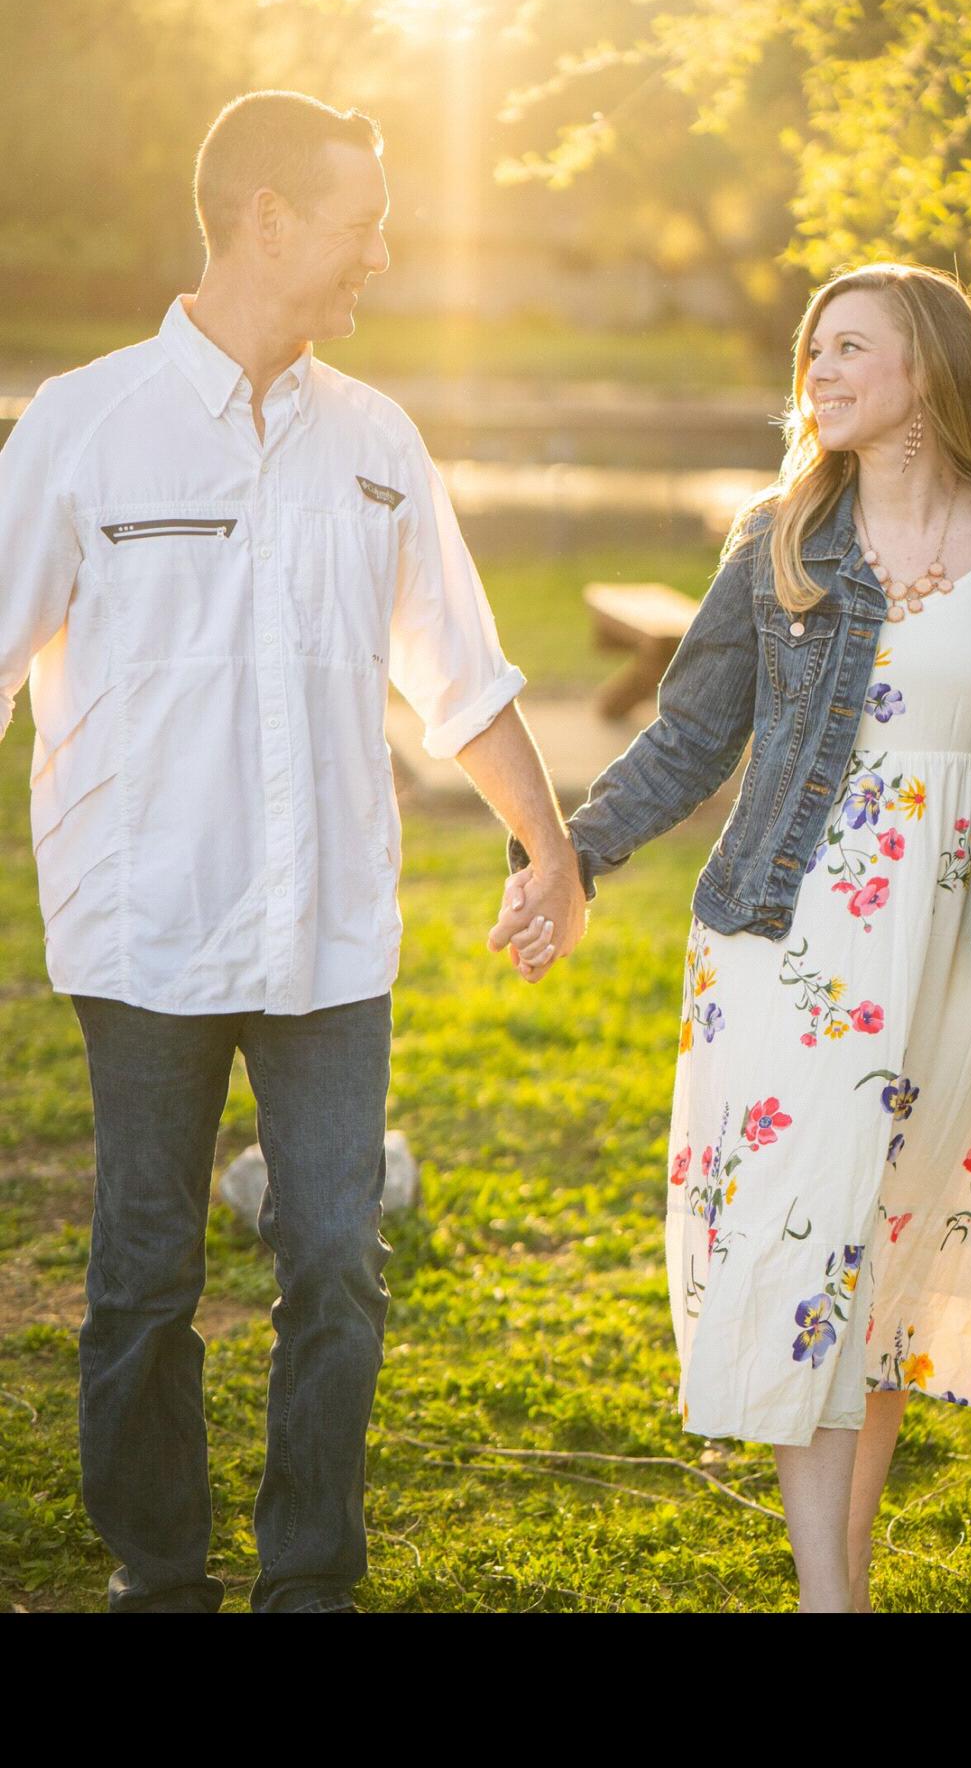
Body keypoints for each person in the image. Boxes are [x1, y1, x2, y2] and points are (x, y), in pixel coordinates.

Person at [0, 88, 587, 1613]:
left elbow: (461, 674)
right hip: (145, 930)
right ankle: (158, 1574)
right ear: (266, 220)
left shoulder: (378, 440)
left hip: (327, 938)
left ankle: (309, 1578)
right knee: (145, 1273)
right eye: (360, 224)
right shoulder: (83, 425)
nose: (379, 255)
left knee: (335, 1260)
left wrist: (548, 849)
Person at [489, 261, 971, 1615]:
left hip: (965, 957)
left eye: (850, 348)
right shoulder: (782, 536)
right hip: (795, 948)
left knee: (879, 1280)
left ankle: (842, 1585)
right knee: (804, 1259)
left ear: (928, 369)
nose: (818, 371)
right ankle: (831, 1599)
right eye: (812, 350)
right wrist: (567, 857)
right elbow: (689, 735)